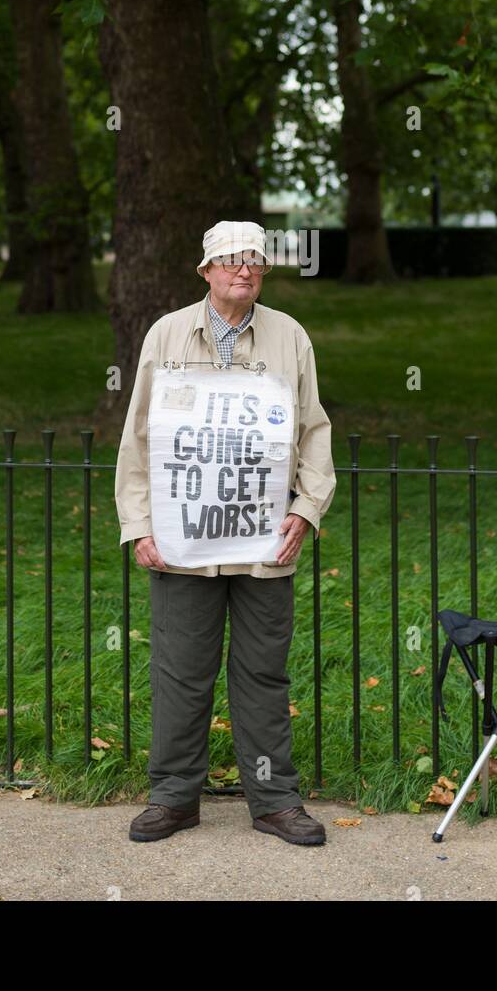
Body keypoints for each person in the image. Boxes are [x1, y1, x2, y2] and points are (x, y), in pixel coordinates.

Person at [115, 219, 336, 846]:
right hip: (183, 542)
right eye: (232, 260)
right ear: (206, 271)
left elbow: (315, 431)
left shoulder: (290, 337)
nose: (245, 270)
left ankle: (273, 800)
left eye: (256, 261)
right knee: (181, 670)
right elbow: (136, 436)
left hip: (267, 539)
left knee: (264, 672)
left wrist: (306, 507)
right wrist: (139, 526)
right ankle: (174, 798)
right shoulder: (165, 334)